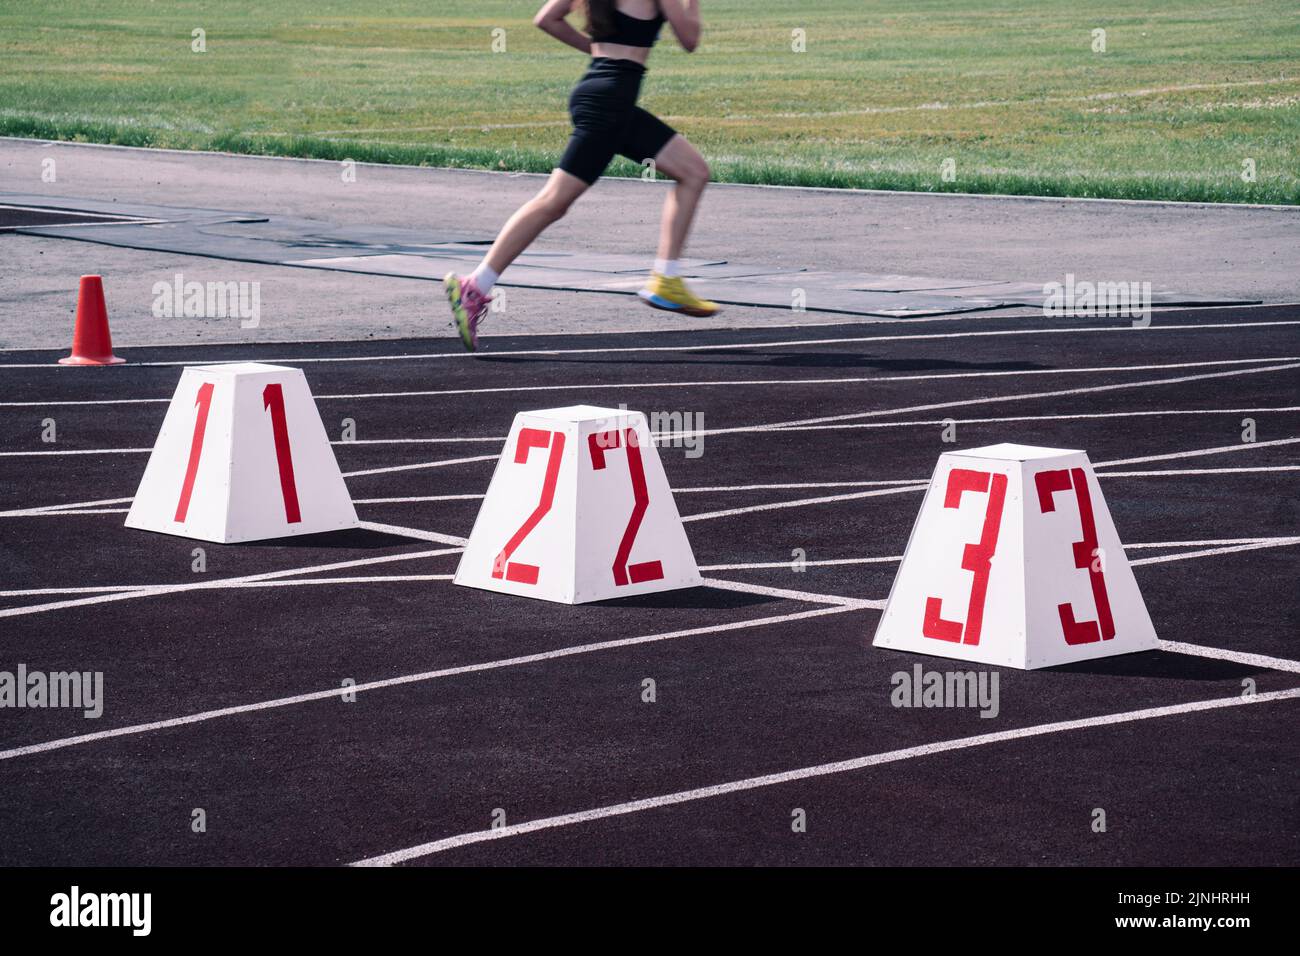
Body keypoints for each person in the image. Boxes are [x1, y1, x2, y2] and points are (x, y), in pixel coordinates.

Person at [444, 0, 719, 351]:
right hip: (609, 106)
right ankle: (475, 286)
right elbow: (690, 39)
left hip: (604, 95)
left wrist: (596, 51)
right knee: (553, 202)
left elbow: (547, 19)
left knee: (693, 171)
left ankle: (666, 278)